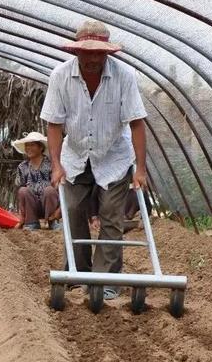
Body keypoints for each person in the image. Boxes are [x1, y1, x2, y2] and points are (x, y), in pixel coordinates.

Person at [40, 21, 148, 300]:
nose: (92, 59)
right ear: (76, 52)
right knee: (73, 209)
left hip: (113, 157)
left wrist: (141, 169)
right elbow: (53, 124)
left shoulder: (124, 76)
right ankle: (78, 272)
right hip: (74, 156)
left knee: (112, 215)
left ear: (107, 54)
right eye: (86, 53)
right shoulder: (61, 76)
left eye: (98, 53)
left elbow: (137, 123)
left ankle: (107, 280)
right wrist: (56, 165)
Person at [11, 132, 60, 230]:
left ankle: (52, 221)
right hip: (31, 207)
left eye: (32, 145)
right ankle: (31, 222)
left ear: (41, 148)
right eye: (27, 145)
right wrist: (22, 215)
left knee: (49, 190)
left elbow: (61, 189)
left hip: (50, 206)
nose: (28, 148)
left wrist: (59, 210)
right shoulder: (22, 167)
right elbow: (20, 193)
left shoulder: (52, 165)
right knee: (23, 190)